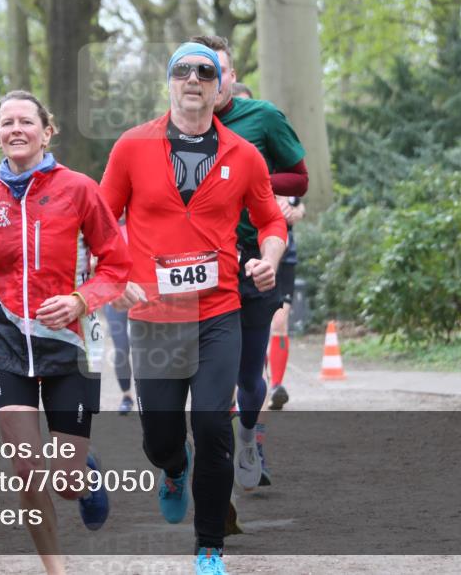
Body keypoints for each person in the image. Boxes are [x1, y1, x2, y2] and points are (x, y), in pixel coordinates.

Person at [100, 43, 287, 575]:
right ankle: (173, 468)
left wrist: (268, 258)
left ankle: (209, 547)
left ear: (219, 85)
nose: (194, 80)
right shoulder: (133, 146)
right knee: (161, 434)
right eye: (182, 70)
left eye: (205, 72)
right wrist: (115, 279)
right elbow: (102, 219)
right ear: (169, 82)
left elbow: (272, 221)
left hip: (218, 311)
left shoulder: (243, 155)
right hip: (155, 315)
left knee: (211, 425)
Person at [0, 91, 130, 575]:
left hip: (72, 344)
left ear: (47, 132)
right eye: (7, 123)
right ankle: (55, 569)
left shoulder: (80, 189)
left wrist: (79, 300)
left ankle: (85, 480)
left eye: (26, 121)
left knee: (64, 480)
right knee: (28, 470)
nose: (16, 129)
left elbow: (116, 264)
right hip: (7, 346)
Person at [189, 36, 308, 490]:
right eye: (198, 71)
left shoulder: (262, 118)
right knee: (200, 375)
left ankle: (247, 438)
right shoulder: (178, 127)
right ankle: (204, 461)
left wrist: (250, 173)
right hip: (198, 265)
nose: (207, 81)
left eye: (216, 72)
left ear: (231, 77)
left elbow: (300, 177)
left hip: (256, 261)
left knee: (247, 374)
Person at [268, 195, 305, 410]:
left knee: (279, 323)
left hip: (286, 260)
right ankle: (256, 384)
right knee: (257, 325)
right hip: (256, 257)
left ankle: (277, 387)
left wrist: (296, 213)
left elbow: (300, 205)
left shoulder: (289, 174)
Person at [104, 221, 135, 415]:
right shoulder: (106, 228)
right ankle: (126, 396)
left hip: (142, 294)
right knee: (121, 347)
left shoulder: (139, 222)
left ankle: (150, 398)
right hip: (114, 297)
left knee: (145, 348)